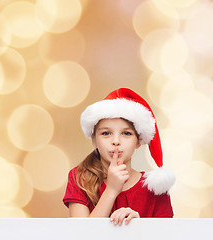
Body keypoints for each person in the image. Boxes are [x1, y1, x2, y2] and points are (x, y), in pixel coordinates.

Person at [63, 88, 175, 225]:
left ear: (138, 141)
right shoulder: (80, 179)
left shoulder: (155, 189)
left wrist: (138, 227)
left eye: (126, 133)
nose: (116, 141)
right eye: (106, 133)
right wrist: (111, 190)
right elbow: (80, 236)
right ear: (94, 140)